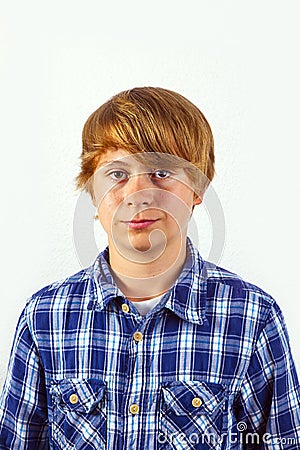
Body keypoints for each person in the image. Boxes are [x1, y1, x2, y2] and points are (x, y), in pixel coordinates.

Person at [0, 87, 299, 449]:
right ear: (92, 191)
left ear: (198, 186)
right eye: (117, 174)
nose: (138, 193)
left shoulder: (252, 318)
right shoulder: (45, 317)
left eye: (161, 172)